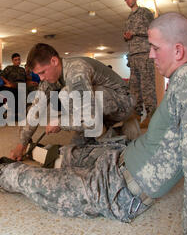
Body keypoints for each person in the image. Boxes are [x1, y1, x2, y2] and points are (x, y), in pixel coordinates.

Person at [0, 12, 187, 235]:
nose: (150, 56)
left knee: (29, 179)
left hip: (117, 189)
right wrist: (22, 142)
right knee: (69, 154)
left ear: (178, 51)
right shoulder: (184, 80)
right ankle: (52, 152)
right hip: (119, 156)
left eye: (155, 48)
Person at [9, 43, 137, 161]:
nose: (41, 78)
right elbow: (35, 109)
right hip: (101, 108)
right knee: (75, 149)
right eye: (38, 74)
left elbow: (89, 119)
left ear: (54, 61)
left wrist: (59, 122)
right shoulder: (50, 78)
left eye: (42, 72)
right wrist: (22, 144)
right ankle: (111, 132)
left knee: (67, 93)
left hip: (123, 103)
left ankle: (118, 137)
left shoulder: (76, 72)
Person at [123, 0, 157, 129]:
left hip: (144, 53)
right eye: (125, 0)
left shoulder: (145, 12)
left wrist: (135, 33)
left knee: (147, 86)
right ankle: (136, 114)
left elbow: (152, 28)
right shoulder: (128, 18)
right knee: (134, 87)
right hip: (133, 55)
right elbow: (126, 35)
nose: (127, 1)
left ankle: (151, 115)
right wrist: (126, 36)